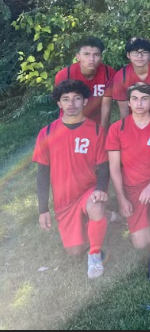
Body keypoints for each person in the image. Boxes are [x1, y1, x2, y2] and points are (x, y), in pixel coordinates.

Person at [33, 80, 110, 279]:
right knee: (74, 251)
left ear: (85, 101)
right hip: (64, 200)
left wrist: (100, 189)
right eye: (66, 99)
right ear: (59, 103)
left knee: (96, 206)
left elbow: (104, 167)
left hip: (88, 190)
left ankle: (94, 255)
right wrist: (43, 210)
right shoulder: (47, 133)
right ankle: (104, 218)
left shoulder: (96, 130)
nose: (71, 104)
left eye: (76, 98)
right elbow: (42, 174)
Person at [107, 83, 150, 283]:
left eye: (144, 99)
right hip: (132, 188)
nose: (139, 103)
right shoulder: (117, 129)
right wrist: (121, 199)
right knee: (140, 243)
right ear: (128, 102)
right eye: (134, 99)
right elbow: (114, 168)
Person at [54, 37, 116, 129]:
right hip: (70, 122)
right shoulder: (65, 75)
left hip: (97, 123)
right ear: (78, 56)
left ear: (101, 57)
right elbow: (65, 105)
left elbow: (106, 107)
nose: (91, 59)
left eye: (96, 55)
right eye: (86, 54)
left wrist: (103, 131)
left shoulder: (109, 73)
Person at [105, 37, 150, 121]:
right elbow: (124, 111)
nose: (139, 56)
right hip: (134, 120)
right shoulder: (121, 77)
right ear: (128, 55)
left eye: (144, 52)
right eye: (135, 52)